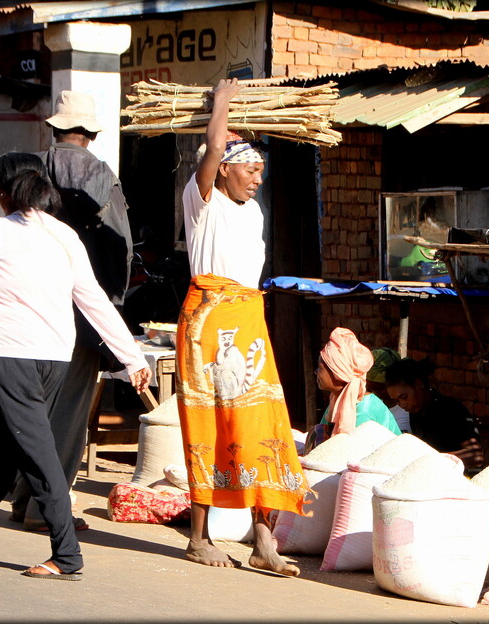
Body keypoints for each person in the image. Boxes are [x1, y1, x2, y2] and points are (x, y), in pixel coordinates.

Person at [0, 153, 150, 580]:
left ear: (3, 193)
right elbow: (93, 299)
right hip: (55, 357)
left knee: (36, 451)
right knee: (0, 449)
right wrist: (131, 355)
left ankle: (67, 555)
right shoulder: (64, 235)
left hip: (10, 354)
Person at [0, 90, 135, 532]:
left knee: (30, 409)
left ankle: (21, 498)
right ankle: (45, 508)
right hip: (81, 314)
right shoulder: (101, 175)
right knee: (67, 416)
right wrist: (111, 307)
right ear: (92, 134)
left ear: (54, 128)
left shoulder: (26, 167)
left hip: (22, 313)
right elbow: (122, 247)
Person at [176, 77, 310, 576]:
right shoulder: (200, 199)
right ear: (225, 170)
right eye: (250, 170)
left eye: (261, 172)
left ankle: (264, 541)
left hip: (248, 319)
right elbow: (214, 144)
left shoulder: (253, 211)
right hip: (205, 322)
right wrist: (222, 101)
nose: (257, 179)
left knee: (260, 423)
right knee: (207, 425)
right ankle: (198, 537)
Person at [306, 329, 402, 452]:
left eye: (320, 368)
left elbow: (355, 454)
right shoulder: (337, 400)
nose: (316, 372)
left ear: (338, 372)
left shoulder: (364, 410)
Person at [384, 357, 483, 470]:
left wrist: (432, 460)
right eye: (397, 400)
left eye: (404, 397)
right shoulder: (416, 413)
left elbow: (476, 456)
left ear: (418, 384)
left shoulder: (450, 409)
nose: (402, 404)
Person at [365, 347, 411, 433]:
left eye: (380, 389)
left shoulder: (408, 410)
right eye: (370, 389)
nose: (376, 394)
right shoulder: (370, 407)